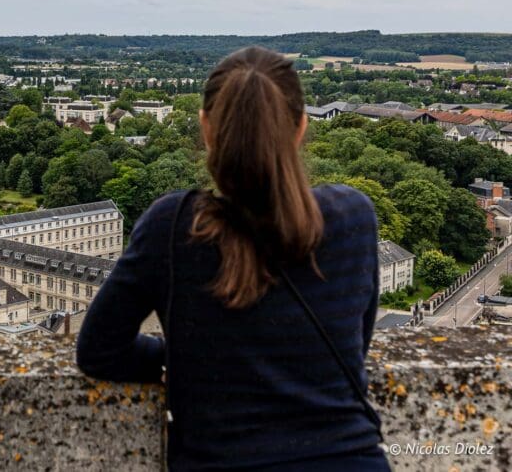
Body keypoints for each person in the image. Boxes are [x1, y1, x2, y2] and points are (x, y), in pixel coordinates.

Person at [76, 47, 388, 471]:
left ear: (207, 128)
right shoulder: (354, 215)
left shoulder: (172, 225)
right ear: (300, 127)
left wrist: (179, 355)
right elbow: (354, 345)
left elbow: (99, 350)